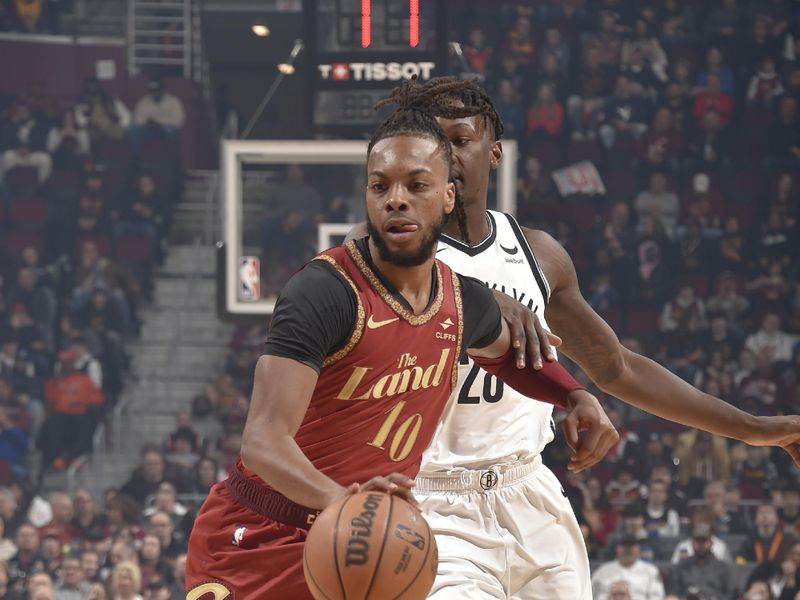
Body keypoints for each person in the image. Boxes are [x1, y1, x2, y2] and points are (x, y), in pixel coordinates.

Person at [348, 76, 800, 599]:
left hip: (531, 496)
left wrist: (756, 430)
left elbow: (618, 369)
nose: (446, 153)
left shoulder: (538, 254)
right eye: (433, 141)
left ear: (493, 152)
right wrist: (486, 300)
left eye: (460, 139)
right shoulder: (379, 248)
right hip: (433, 500)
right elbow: (401, 283)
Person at [185, 78, 602, 599]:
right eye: (380, 186)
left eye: (416, 185)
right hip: (262, 534)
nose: (396, 200)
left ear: (448, 194)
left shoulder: (461, 299)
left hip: (357, 537)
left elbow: (509, 357)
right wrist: (345, 505)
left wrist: (572, 395)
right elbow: (264, 442)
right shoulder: (324, 291)